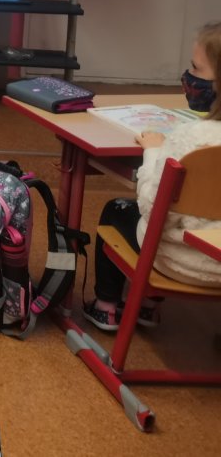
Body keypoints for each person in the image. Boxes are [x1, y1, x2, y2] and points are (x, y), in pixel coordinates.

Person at [83, 21, 221, 332]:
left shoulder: (191, 138)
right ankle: (147, 307)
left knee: (118, 210)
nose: (188, 76)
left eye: (196, 68)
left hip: (177, 261)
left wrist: (154, 152)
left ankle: (106, 307)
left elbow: (151, 205)